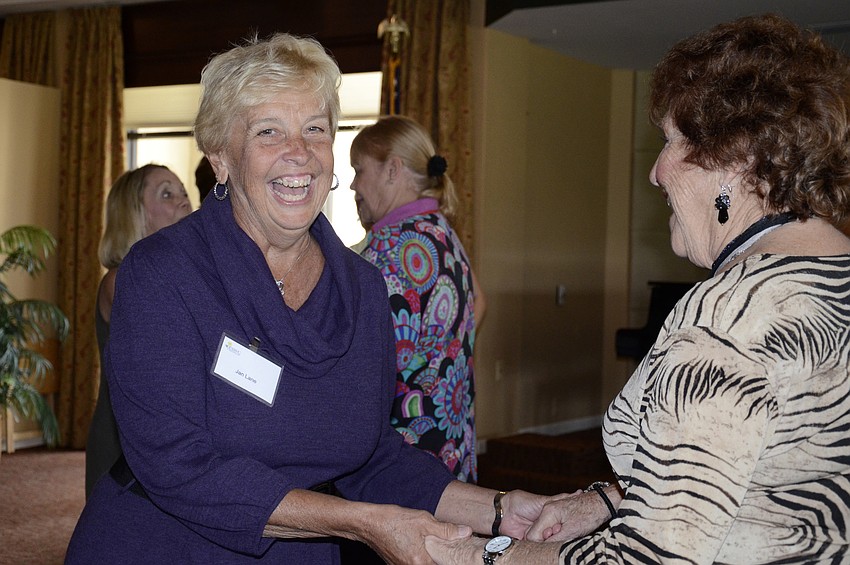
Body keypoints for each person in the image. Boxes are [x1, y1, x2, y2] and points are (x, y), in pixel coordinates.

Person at [66, 33, 554, 564]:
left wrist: (502, 510)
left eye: (315, 130)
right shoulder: (162, 275)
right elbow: (178, 465)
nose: (298, 153)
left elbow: (370, 456)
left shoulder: (363, 288)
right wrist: (363, 523)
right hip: (160, 546)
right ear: (221, 158)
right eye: (269, 131)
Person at [426, 13, 850, 564]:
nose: (655, 172)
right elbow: (775, 474)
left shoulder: (728, 319)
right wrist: (607, 499)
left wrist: (473, 556)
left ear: (731, 159)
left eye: (670, 141)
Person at [350, 115, 486, 483]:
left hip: (406, 461)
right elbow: (480, 303)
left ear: (392, 170)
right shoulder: (441, 230)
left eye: (359, 170)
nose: (353, 184)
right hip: (451, 445)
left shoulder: (389, 249)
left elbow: (365, 358)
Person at [85, 164, 192, 498]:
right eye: (166, 193)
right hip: (125, 441)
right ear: (135, 215)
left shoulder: (187, 275)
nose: (184, 200)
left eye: (182, 191)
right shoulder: (120, 281)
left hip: (173, 437)